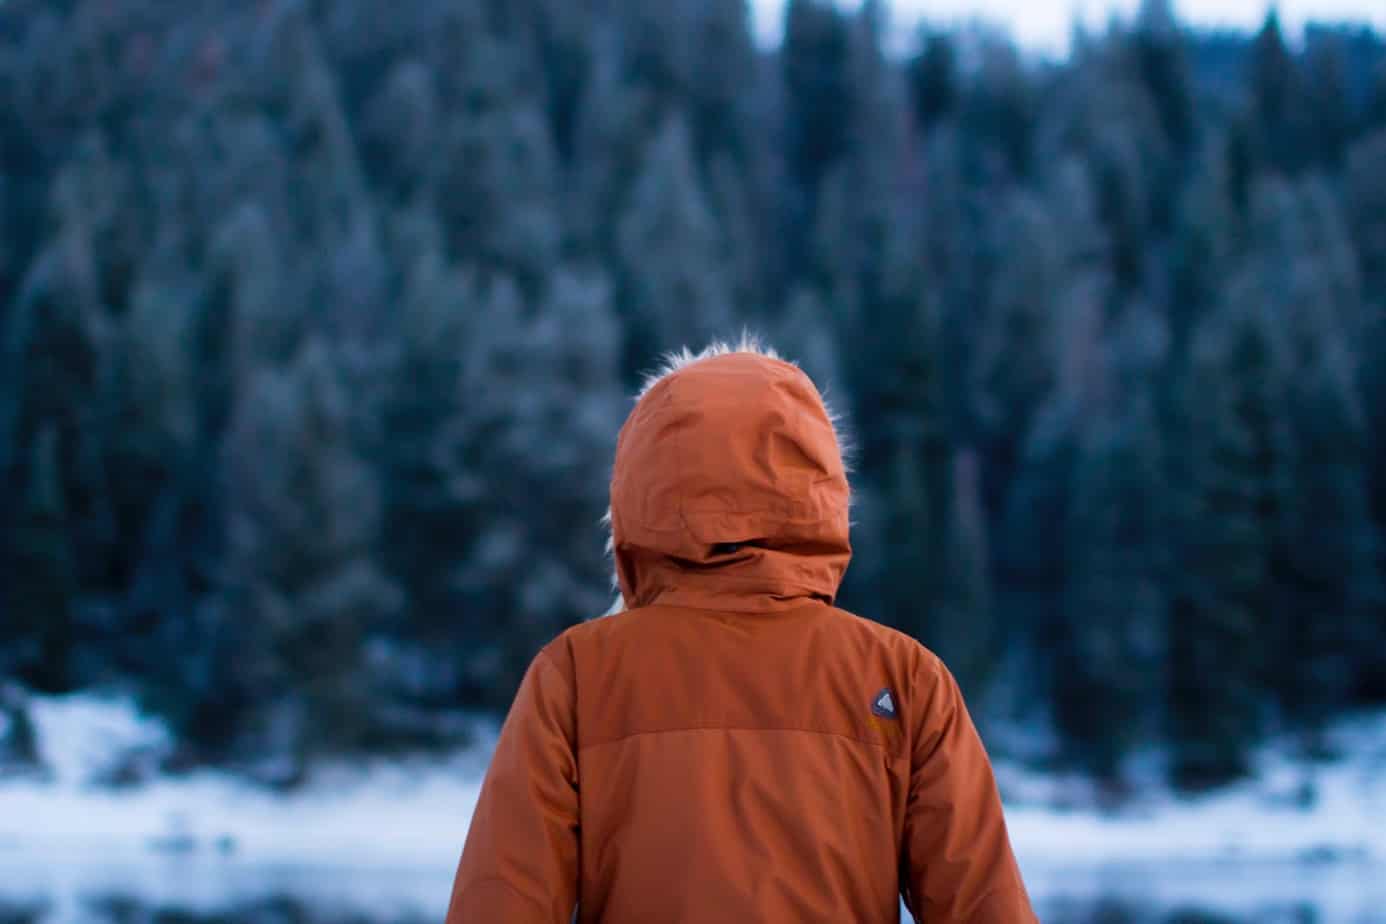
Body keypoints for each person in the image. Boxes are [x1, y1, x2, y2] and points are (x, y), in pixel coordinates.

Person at [446, 340, 1036, 923]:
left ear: (639, 492)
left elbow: (500, 905)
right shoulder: (903, 677)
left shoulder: (577, 674)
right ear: (821, 490)